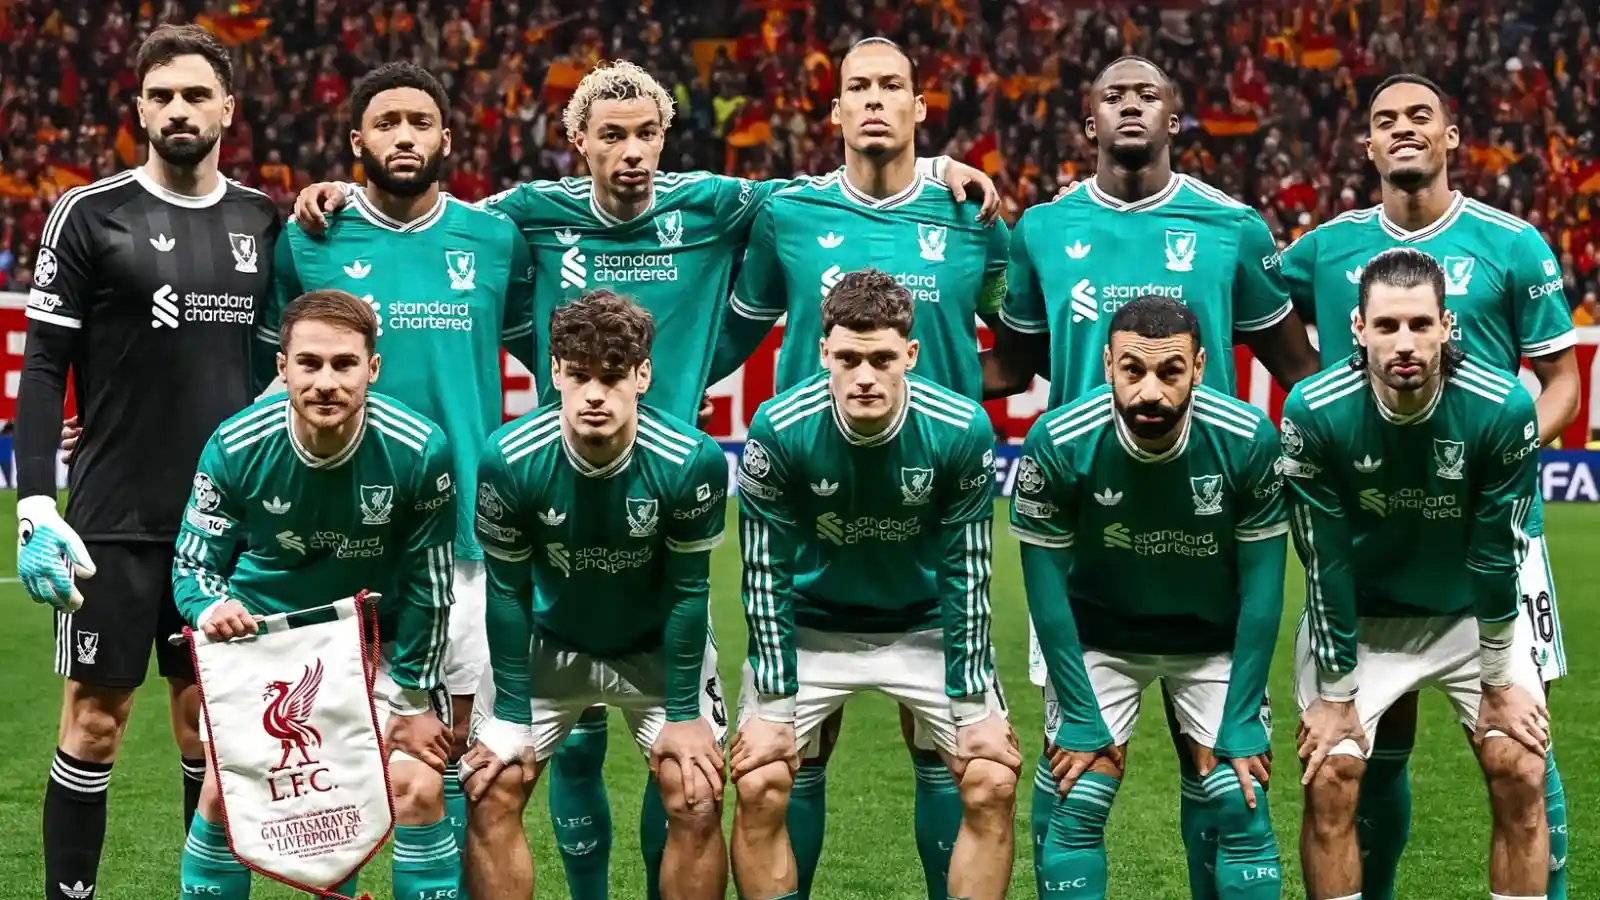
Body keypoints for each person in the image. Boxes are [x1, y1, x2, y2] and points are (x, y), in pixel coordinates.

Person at [291, 58, 1000, 899]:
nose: (631, 152)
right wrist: (346, 191)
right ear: (577, 141)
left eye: (646, 135)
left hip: (664, 483)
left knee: (685, 764)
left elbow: (824, 190)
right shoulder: (525, 213)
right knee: (569, 750)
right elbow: (425, 215)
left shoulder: (712, 204)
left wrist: (931, 168)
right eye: (611, 135)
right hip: (558, 483)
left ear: (664, 138)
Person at [977, 55, 1319, 896]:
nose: (1130, 106)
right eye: (1112, 96)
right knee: (1074, 775)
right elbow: (1011, 366)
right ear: (1088, 121)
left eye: (1148, 95)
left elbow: (1299, 371)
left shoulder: (1232, 226)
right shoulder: (1043, 230)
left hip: (1209, 530)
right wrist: (901, 371)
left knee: (1225, 784)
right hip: (1085, 541)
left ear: (1174, 117)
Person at [706, 36, 1009, 898]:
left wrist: (954, 395)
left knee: (947, 755)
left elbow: (1023, 341)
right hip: (814, 526)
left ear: (920, 106)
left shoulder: (972, 217)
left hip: (931, 516)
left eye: (892, 86)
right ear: (834, 110)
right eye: (859, 87)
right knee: (790, 759)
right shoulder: (788, 214)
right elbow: (734, 331)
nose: (875, 99)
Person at [1279, 74, 1577, 899]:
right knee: (1370, 755)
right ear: (1367, 145)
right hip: (1374, 534)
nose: (1403, 128)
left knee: (1524, 746)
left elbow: (1561, 383)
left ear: (1451, 137)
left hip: (1495, 535)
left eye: (1421, 116)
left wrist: (1490, 461)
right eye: (1386, 120)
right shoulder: (1326, 248)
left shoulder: (1513, 243)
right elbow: (1246, 302)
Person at [12, 25, 281, 900]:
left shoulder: (262, 220)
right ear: (138, 109)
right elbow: (44, 366)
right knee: (95, 722)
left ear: (227, 109)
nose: (178, 109)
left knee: (210, 731)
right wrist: (36, 503)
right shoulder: (90, 214)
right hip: (113, 520)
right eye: (161, 95)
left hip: (227, 528)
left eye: (196, 94)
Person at [266, 60, 536, 855]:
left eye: (420, 122)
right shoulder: (310, 237)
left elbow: (552, 354)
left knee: (455, 758)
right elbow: (268, 375)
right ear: (358, 142)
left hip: (463, 536)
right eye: (387, 123)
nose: (405, 136)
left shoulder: (493, 239)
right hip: (336, 537)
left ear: (446, 138)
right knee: (327, 755)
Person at [731, 268, 1018, 900]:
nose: (865, 376)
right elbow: (763, 572)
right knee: (759, 781)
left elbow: (968, 570)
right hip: (812, 624)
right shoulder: (779, 427)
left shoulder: (960, 427)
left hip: (925, 625)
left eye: (882, 359)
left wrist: (973, 704)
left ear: (909, 355)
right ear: (823, 353)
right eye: (849, 359)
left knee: (992, 779)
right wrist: (773, 706)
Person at [172, 288, 460, 898]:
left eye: (343, 364)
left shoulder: (418, 449)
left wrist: (413, 698)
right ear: (283, 367)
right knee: (222, 797)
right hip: (266, 642)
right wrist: (213, 606)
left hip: (376, 640)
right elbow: (194, 562)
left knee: (418, 787)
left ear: (372, 369)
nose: (326, 382)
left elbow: (430, 585)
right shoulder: (236, 445)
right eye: (309, 363)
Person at [1011, 295, 1286, 899]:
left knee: (1239, 795)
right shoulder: (1059, 440)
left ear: (1199, 368)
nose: (1151, 392)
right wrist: (1080, 713)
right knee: (1079, 792)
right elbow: (1045, 593)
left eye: (1171, 371)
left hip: (1211, 640)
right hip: (1099, 637)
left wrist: (1242, 716)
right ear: (1108, 364)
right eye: (1133, 370)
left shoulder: (1247, 439)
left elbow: (1265, 591)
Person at [458, 290, 731, 900]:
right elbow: (506, 592)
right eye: (579, 375)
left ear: (643, 376)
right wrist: (511, 715)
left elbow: (690, 593)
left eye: (612, 376)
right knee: (491, 789)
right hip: (548, 643)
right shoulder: (509, 459)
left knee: (696, 794)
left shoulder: (690, 461)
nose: (595, 395)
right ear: (555, 372)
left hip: (656, 649)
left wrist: (684, 715)